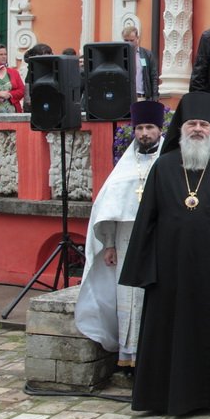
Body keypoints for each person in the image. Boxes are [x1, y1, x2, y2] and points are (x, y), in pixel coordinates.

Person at [119, 91, 210, 416]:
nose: (197, 129)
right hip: (169, 269)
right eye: (192, 123)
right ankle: (161, 396)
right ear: (181, 128)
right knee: (168, 331)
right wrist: (144, 265)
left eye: (204, 125)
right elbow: (147, 219)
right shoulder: (164, 165)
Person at [75, 101, 164, 372]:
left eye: (149, 128)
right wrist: (110, 244)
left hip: (158, 239)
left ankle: (154, 354)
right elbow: (109, 208)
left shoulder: (167, 162)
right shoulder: (124, 166)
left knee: (153, 296)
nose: (144, 133)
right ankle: (129, 355)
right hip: (125, 240)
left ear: (160, 130)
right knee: (127, 296)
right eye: (140, 128)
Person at [122, 26, 158, 100]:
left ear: (137, 38)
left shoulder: (147, 54)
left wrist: (155, 96)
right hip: (125, 98)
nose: (129, 43)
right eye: (126, 40)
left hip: (142, 97)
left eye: (131, 40)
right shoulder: (121, 55)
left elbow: (153, 76)